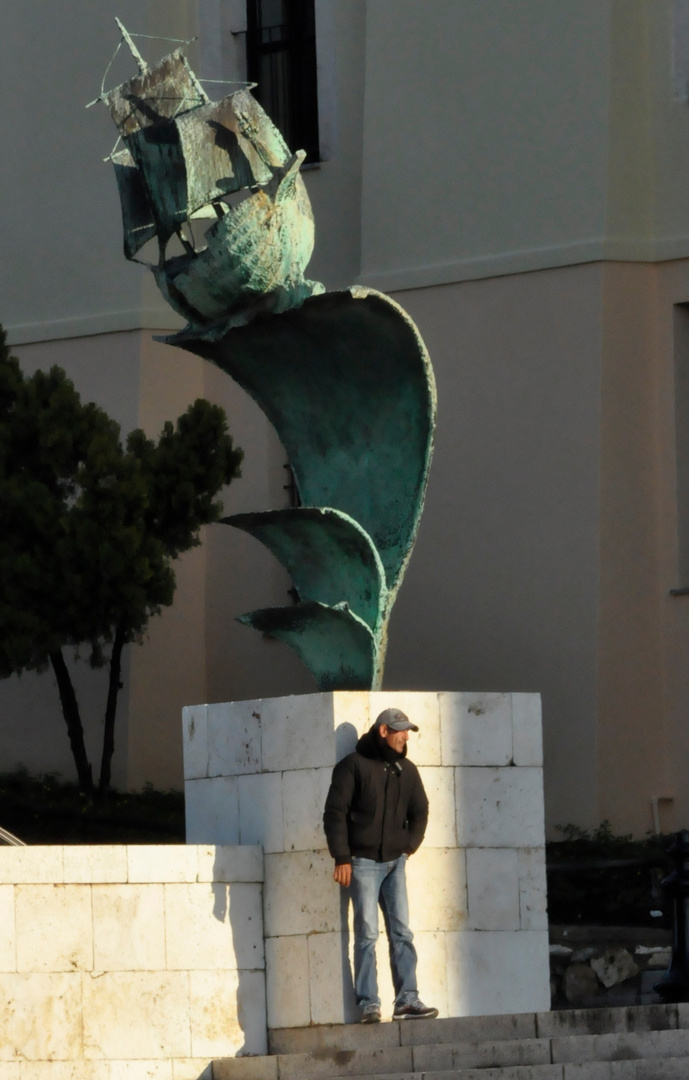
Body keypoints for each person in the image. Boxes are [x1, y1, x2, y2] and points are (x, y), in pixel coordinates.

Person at [323, 706, 439, 1024]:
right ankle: (369, 1004)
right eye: (400, 730)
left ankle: (407, 1001)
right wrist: (342, 857)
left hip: (394, 864)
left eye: (408, 730)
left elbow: (421, 810)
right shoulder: (353, 767)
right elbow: (334, 812)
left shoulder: (407, 769)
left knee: (402, 932)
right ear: (383, 731)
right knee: (367, 935)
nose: (405, 736)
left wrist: (408, 847)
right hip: (361, 863)